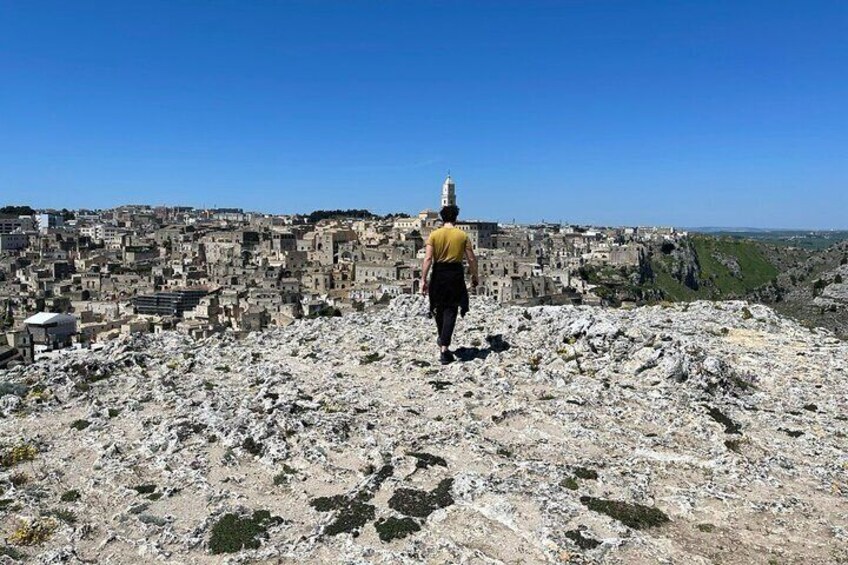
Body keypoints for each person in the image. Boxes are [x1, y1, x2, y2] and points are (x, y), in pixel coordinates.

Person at [420, 205, 479, 364]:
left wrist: (423, 280)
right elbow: (471, 259)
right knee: (451, 310)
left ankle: (442, 341)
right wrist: (475, 276)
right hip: (455, 274)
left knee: (439, 308)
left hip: (438, 273)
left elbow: (427, 259)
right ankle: (444, 349)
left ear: (442, 218)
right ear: (456, 218)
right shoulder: (462, 235)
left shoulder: (434, 235)